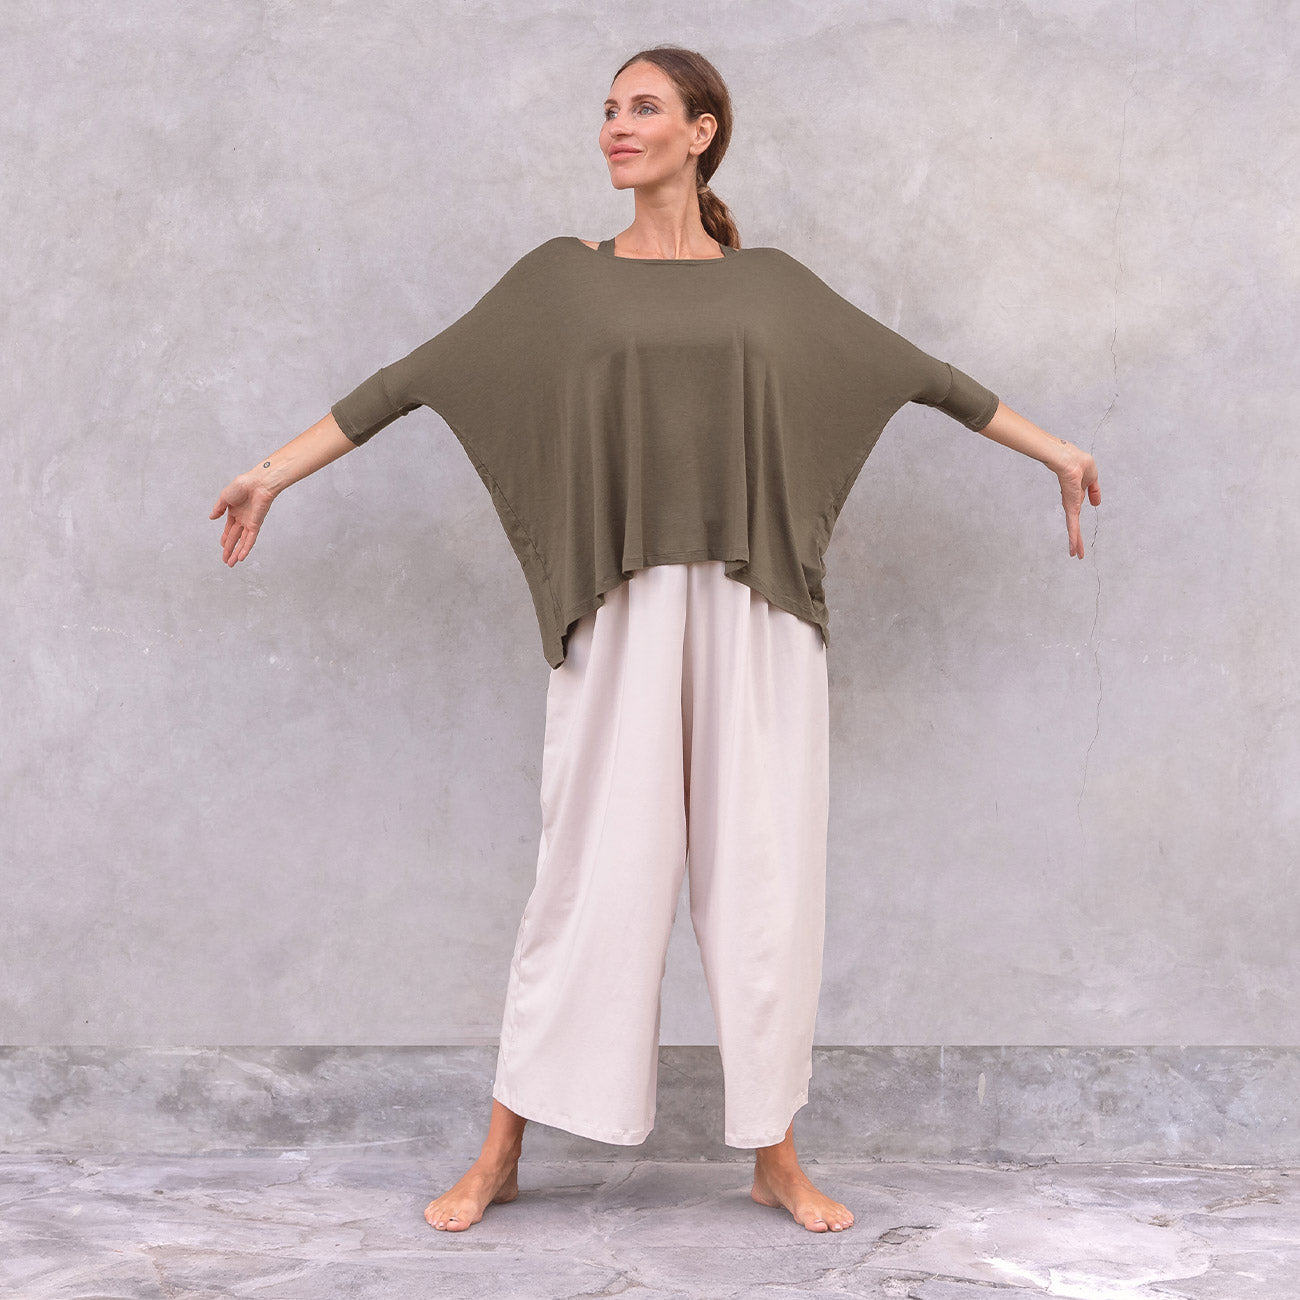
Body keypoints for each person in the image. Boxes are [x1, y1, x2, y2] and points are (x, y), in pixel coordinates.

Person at [210, 45, 1100, 1236]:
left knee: (762, 885)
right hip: (620, 607)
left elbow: (921, 376)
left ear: (701, 130)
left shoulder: (770, 287)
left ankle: (776, 1157)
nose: (616, 129)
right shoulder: (563, 279)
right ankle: (501, 1152)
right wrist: (271, 473)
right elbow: (409, 379)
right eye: (608, 111)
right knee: (587, 880)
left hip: (757, 611)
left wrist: (1057, 452)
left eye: (642, 109)